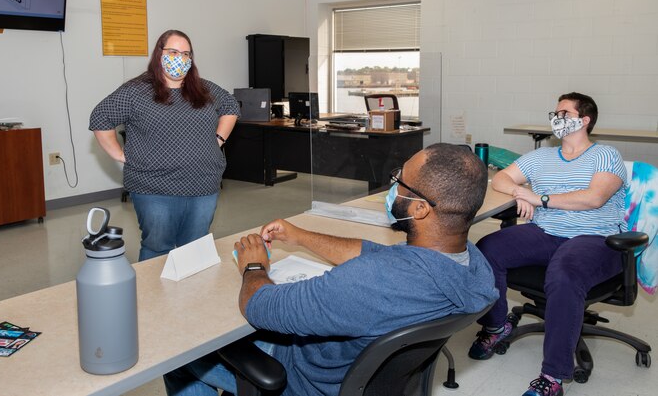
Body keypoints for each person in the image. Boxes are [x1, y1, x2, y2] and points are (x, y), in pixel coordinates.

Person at [164, 143, 499, 396]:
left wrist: (254, 264)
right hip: (371, 380)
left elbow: (261, 306)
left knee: (180, 350)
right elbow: (374, 253)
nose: (393, 186)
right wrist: (301, 236)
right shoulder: (473, 266)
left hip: (307, 380)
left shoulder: (370, 283)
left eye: (401, 181)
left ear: (420, 209)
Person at [467, 92, 627, 396]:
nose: (557, 118)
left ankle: (553, 377)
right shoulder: (540, 157)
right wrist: (518, 191)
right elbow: (501, 179)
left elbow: (594, 198)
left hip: (594, 237)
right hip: (546, 233)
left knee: (565, 273)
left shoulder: (605, 155)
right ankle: (496, 326)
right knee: (488, 248)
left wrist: (538, 198)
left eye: (564, 113)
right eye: (555, 112)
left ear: (585, 120)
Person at [89, 29, 240, 261]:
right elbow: (100, 117)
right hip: (154, 188)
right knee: (158, 248)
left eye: (186, 54)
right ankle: (154, 297)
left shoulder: (204, 89)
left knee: (196, 248)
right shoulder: (137, 91)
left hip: (204, 184)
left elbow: (231, 107)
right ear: (159, 54)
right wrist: (120, 154)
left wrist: (218, 140)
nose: (179, 58)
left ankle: (191, 297)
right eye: (173, 51)